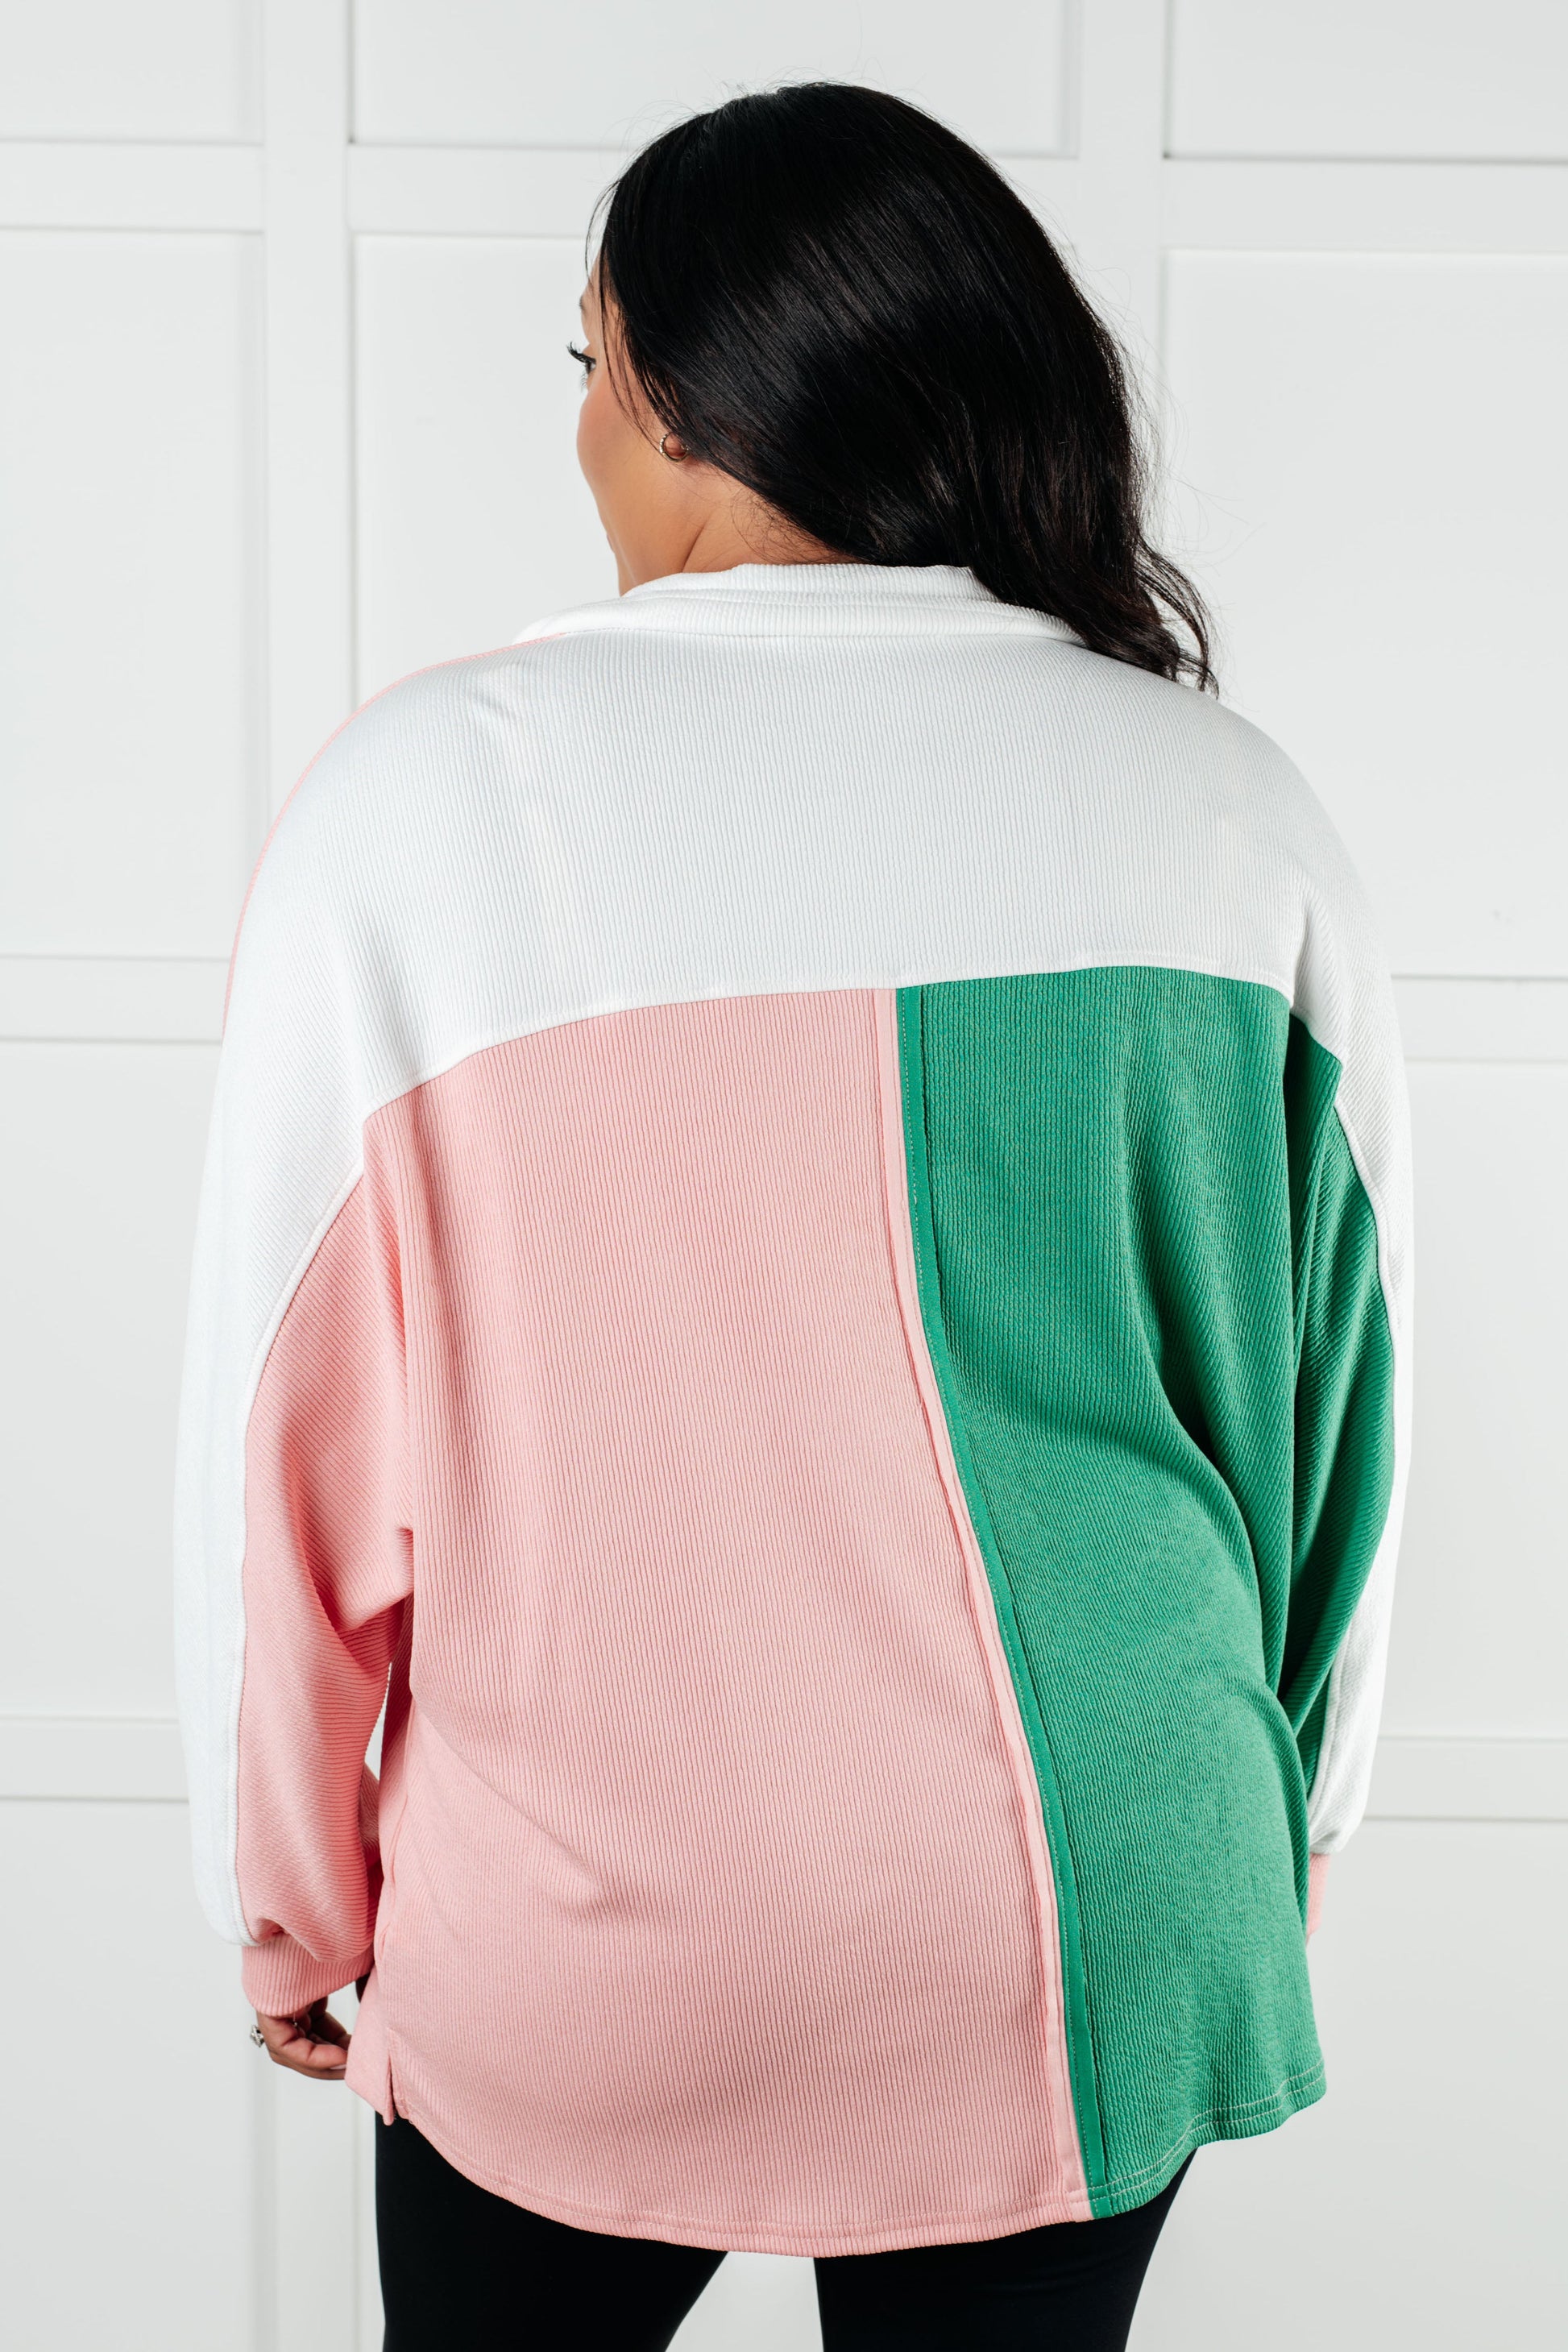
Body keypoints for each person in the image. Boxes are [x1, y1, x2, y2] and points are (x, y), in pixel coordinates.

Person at [175, 82, 1410, 2351]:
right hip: (1091, 1905)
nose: (582, 432)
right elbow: (1338, 1428)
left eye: (588, 366)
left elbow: (285, 1443)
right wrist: (1273, 1847)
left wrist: (289, 1900)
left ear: (673, 394)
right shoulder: (1231, 811)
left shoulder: (423, 809)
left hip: (595, 1925)